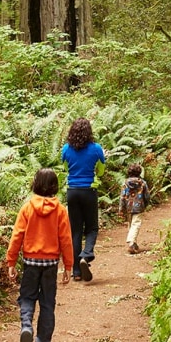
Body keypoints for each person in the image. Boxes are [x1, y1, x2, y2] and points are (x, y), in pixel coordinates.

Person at [6, 168, 73, 342]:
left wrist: (11, 261)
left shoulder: (27, 208)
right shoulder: (60, 210)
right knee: (47, 303)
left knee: (27, 297)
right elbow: (66, 240)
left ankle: (26, 326)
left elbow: (17, 235)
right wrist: (68, 266)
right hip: (51, 264)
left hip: (30, 262)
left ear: (35, 184)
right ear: (55, 186)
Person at [61, 117, 105, 282]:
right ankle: (85, 256)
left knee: (76, 231)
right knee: (92, 228)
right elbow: (100, 171)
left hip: (72, 191)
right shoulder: (96, 149)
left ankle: (76, 272)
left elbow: (65, 168)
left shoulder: (66, 149)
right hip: (89, 191)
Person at [119, 162, 150, 254]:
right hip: (139, 207)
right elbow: (147, 195)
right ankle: (132, 243)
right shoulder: (143, 183)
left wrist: (121, 209)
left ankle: (133, 243)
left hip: (128, 207)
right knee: (136, 224)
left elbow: (122, 196)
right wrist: (146, 204)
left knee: (131, 224)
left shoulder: (125, 183)